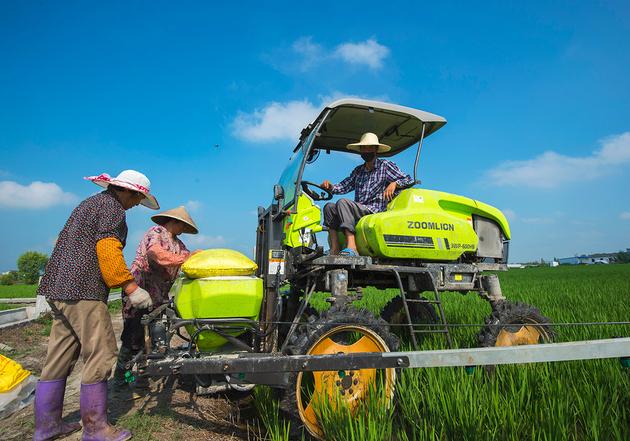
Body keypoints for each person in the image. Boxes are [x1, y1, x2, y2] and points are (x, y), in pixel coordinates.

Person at [34, 170, 159, 441]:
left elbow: (63, 241)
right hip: (84, 289)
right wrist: (130, 287)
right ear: (127, 191)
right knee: (101, 354)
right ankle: (95, 429)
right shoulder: (113, 209)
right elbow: (108, 250)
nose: (137, 203)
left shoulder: (88, 204)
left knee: (58, 356)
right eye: (137, 197)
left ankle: (47, 427)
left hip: (59, 287)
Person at [113, 206, 199, 388]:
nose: (183, 230)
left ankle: (145, 375)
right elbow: (156, 254)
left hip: (159, 294)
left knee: (157, 335)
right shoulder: (157, 232)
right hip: (140, 290)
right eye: (182, 226)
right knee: (133, 335)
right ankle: (123, 378)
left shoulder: (179, 244)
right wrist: (187, 258)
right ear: (175, 222)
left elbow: (189, 259)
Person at [321, 132, 413, 256]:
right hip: (359, 208)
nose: (366, 150)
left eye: (369, 147)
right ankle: (335, 248)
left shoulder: (384, 166)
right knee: (329, 207)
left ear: (376, 150)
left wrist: (395, 183)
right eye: (363, 148)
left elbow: (408, 179)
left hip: (374, 210)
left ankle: (352, 247)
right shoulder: (358, 171)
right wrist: (330, 186)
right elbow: (343, 187)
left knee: (343, 202)